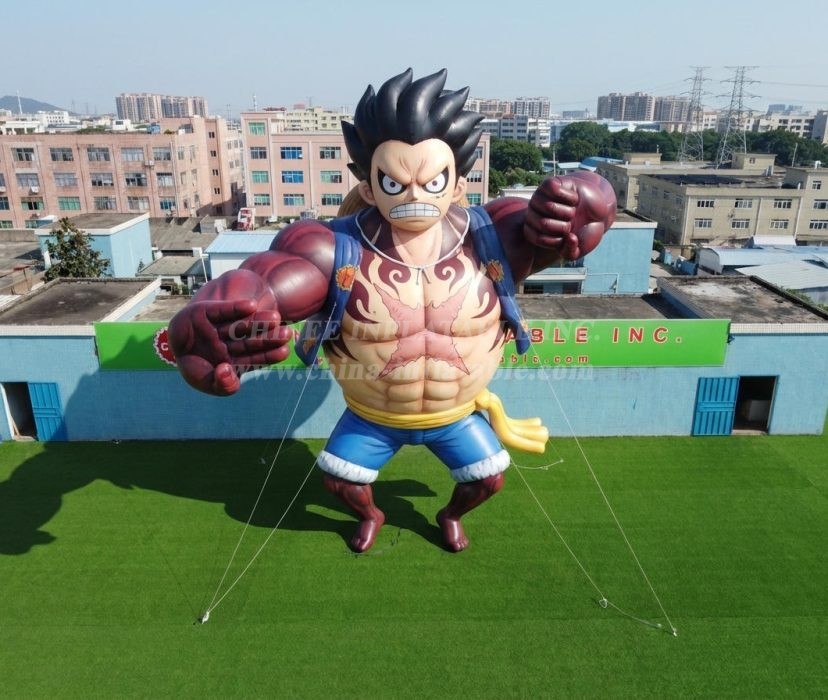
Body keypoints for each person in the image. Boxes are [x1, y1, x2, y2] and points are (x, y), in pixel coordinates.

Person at [169, 69, 616, 553]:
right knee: (340, 481)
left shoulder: (495, 235)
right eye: (394, 182)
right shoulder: (330, 248)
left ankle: (449, 515)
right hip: (372, 414)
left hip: (457, 411)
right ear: (368, 186)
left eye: (432, 181)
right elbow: (269, 283)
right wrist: (222, 310)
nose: (414, 196)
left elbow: (574, 218)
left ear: (458, 183)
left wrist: (587, 200)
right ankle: (371, 515)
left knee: (488, 480)